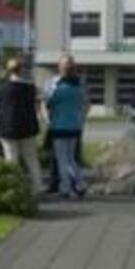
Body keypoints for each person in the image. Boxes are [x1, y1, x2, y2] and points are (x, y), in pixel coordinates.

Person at [0, 58, 43, 196]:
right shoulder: (30, 88)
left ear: (8, 71)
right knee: (31, 159)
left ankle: (12, 188)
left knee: (11, 159)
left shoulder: (1, 88)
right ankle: (37, 187)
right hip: (28, 127)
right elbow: (35, 105)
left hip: (8, 127)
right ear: (21, 70)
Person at [44, 55, 88, 198]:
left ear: (62, 71)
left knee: (62, 159)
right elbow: (85, 104)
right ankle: (80, 184)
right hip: (75, 126)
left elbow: (49, 103)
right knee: (71, 158)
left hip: (59, 126)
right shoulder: (79, 88)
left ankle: (65, 187)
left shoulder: (59, 89)